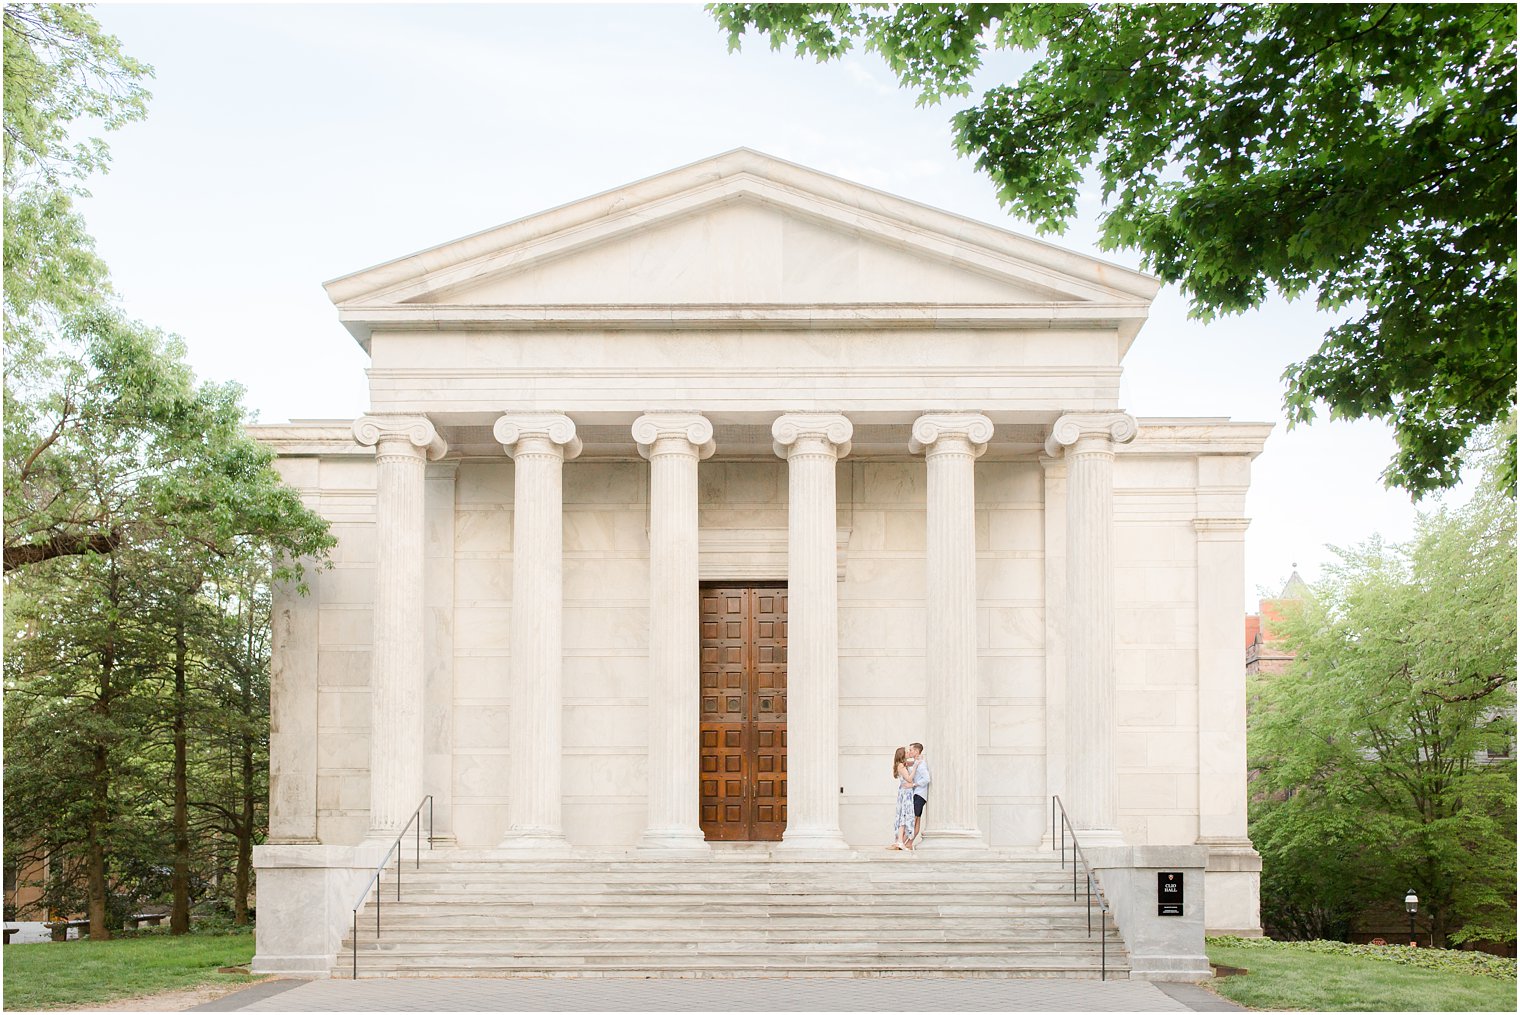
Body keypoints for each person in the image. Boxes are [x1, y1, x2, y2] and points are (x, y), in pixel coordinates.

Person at [888, 747, 916, 851]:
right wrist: (916, 768)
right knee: (904, 816)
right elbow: (909, 778)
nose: (909, 753)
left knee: (903, 816)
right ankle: (900, 841)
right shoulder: (901, 766)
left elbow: (912, 762)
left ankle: (899, 841)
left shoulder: (902, 765)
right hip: (905, 793)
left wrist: (916, 761)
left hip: (904, 792)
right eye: (907, 752)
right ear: (902, 755)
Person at [908, 742, 930, 847]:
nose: (909, 752)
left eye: (911, 750)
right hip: (917, 794)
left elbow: (927, 779)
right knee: (915, 819)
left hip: (919, 795)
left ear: (916, 751)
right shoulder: (917, 762)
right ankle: (908, 843)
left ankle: (909, 843)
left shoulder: (921, 764)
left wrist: (914, 784)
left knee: (915, 819)